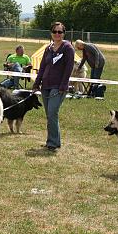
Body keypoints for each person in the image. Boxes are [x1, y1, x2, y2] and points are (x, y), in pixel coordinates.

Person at [32, 22, 74, 151]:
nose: (57, 34)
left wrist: (63, 85)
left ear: (63, 33)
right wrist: (36, 83)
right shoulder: (48, 48)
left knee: (52, 113)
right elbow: (43, 67)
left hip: (59, 86)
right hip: (46, 85)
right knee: (50, 115)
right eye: (55, 31)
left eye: (60, 32)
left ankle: (52, 142)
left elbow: (68, 68)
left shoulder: (68, 48)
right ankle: (54, 141)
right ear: (51, 33)